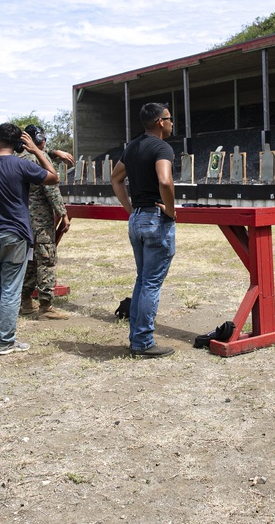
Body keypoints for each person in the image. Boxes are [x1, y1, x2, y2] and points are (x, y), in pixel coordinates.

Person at [0, 123, 58, 355]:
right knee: (10, 290)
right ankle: (5, 341)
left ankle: (2, 337)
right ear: (20, 143)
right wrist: (38, 151)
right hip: (15, 236)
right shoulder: (22, 164)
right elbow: (53, 177)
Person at [109, 103, 177, 359]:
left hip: (137, 219)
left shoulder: (132, 147)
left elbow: (115, 178)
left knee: (143, 280)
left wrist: (131, 208)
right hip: (156, 219)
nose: (172, 123)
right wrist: (170, 210)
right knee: (151, 283)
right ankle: (143, 342)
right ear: (160, 121)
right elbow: (164, 180)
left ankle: (137, 338)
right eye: (170, 119)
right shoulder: (162, 147)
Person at [19, 125, 73, 319]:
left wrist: (53, 152)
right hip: (41, 221)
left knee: (31, 260)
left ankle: (25, 301)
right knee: (46, 261)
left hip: (23, 221)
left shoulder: (19, 159)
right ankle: (45, 306)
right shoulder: (40, 159)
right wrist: (63, 214)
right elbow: (52, 189)